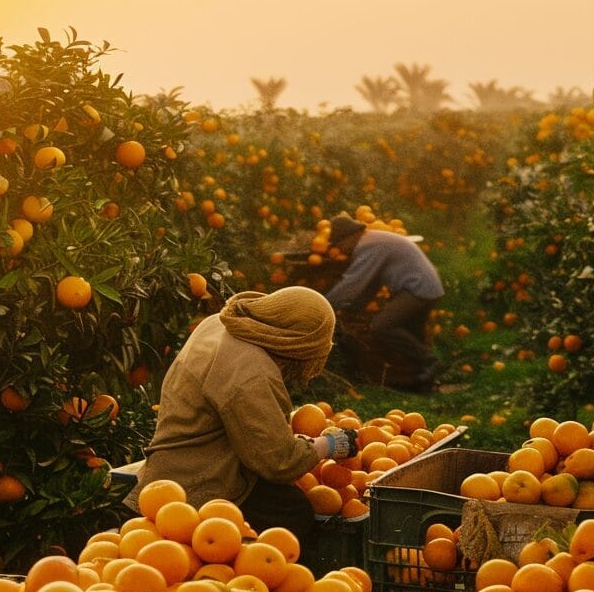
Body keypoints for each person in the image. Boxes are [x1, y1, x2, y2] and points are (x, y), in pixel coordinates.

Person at [125, 286, 360, 542]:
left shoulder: (220, 323)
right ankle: (256, 569)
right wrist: (329, 444)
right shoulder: (251, 372)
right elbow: (278, 462)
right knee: (292, 511)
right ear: (296, 342)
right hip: (196, 483)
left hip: (173, 463)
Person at [321, 213, 444, 392]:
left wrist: (323, 304)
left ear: (349, 238)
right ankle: (423, 382)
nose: (341, 250)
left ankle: (430, 362)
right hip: (426, 286)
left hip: (417, 288)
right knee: (412, 335)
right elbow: (371, 284)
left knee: (382, 326)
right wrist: (353, 307)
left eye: (340, 245)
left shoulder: (368, 246)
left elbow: (353, 282)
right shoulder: (374, 240)